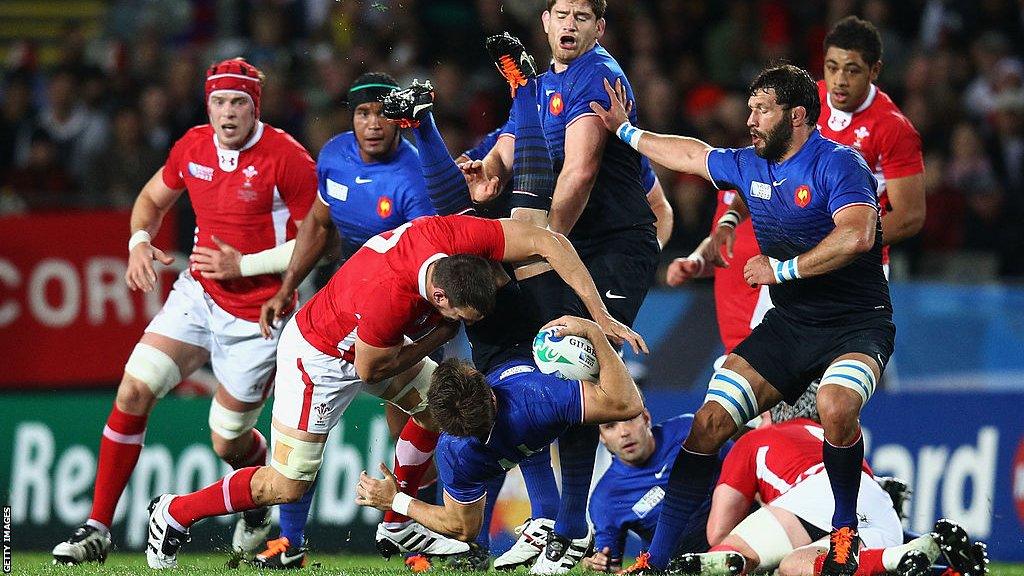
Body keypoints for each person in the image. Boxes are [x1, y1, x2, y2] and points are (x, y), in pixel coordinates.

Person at [142, 214, 645, 570]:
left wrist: (598, 315)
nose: (464, 326)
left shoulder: (451, 235)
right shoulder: (389, 297)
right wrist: (436, 336)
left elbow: (545, 239)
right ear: (441, 297)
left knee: (445, 410)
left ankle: (396, 518)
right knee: (287, 484)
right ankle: (173, 514)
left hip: (378, 344)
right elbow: (369, 369)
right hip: (321, 356)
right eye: (461, 318)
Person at [591, 63, 895, 576]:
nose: (750, 119)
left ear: (796, 116)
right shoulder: (750, 164)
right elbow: (690, 154)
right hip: (792, 326)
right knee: (707, 426)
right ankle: (656, 561)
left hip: (858, 323)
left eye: (762, 110)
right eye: (750, 108)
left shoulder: (839, 165)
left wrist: (783, 269)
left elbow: (859, 235)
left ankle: (845, 531)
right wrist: (626, 130)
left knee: (836, 405)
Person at [51, 58, 318, 566]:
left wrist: (244, 265)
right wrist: (137, 241)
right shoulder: (192, 145)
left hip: (258, 316)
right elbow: (151, 199)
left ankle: (255, 510)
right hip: (198, 295)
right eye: (219, 101)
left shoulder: (287, 157)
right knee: (134, 388)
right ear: (208, 105)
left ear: (254, 106)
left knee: (227, 440)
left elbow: (317, 242)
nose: (228, 112)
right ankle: (98, 528)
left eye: (239, 101)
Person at [250, 71, 438, 570]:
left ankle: (406, 529)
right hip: (341, 303)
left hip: (400, 309)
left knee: (416, 423)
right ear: (351, 117)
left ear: (399, 120)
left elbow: (425, 261)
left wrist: (423, 332)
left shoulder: (415, 180)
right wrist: (287, 287)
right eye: (363, 113)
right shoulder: (333, 154)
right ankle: (291, 543)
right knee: (307, 432)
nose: (373, 123)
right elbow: (317, 222)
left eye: (382, 113)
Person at [353, 315, 643, 556]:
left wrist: (396, 501)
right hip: (522, 341)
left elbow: (463, 528)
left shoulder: (454, 454)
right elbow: (628, 403)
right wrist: (593, 331)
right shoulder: (537, 395)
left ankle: (544, 517)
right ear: (486, 389)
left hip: (509, 425)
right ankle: (559, 521)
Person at [818, 16, 925, 271]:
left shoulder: (893, 128)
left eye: (852, 70)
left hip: (858, 269)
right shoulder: (810, 100)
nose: (840, 80)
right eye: (832, 67)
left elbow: (910, 216)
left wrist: (845, 244)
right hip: (798, 256)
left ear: (874, 70)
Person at [583, 411, 729, 573]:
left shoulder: (689, 431)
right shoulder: (605, 498)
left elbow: (745, 471)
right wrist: (597, 563)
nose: (624, 433)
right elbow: (610, 564)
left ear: (646, 418)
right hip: (680, 564)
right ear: (601, 437)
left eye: (629, 420)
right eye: (610, 427)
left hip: (738, 532)